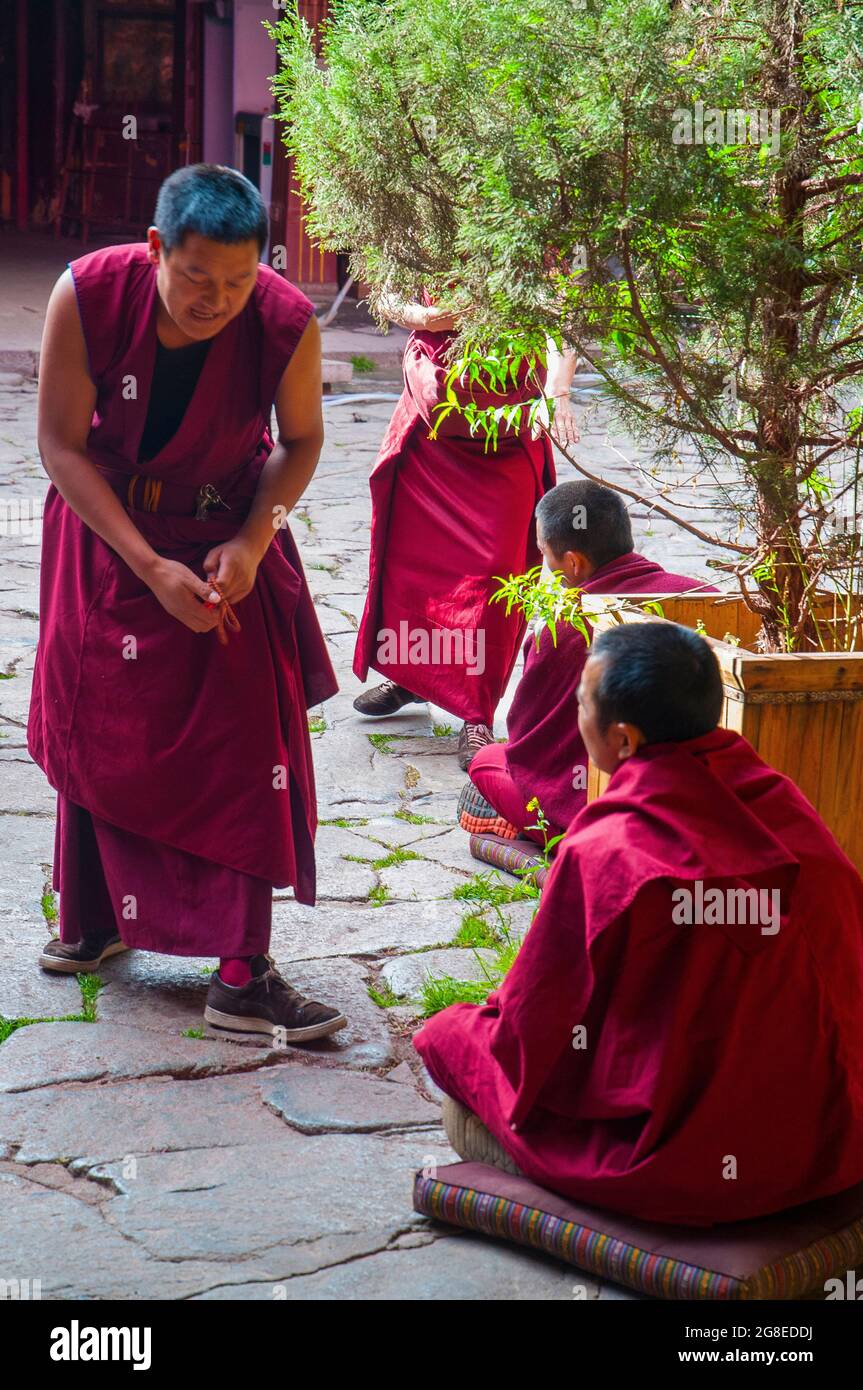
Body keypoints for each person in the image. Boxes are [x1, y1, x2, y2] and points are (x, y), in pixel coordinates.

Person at [30, 163, 347, 1041]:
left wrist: (250, 542)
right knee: (100, 719)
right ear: (155, 248)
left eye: (239, 281)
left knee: (245, 742)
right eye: (197, 277)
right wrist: (145, 567)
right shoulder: (87, 295)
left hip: (223, 535)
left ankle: (241, 972)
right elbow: (60, 447)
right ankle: (94, 921)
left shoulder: (283, 322)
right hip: (107, 531)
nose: (217, 300)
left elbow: (304, 439)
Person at [415, 622, 863, 1224]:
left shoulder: (608, 844)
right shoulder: (781, 796)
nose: (575, 718)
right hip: (843, 1126)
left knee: (451, 1038)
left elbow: (529, 1029)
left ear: (622, 739)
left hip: (717, 1166)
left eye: (579, 706)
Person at [352, 289, 578, 768]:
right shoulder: (415, 217)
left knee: (497, 571)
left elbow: (562, 314)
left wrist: (559, 393)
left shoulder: (529, 222)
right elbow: (386, 295)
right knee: (413, 564)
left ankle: (477, 712)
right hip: (434, 417)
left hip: (509, 416)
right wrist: (429, 316)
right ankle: (414, 675)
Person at [459, 479, 714, 844]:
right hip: (697, 798)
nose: (545, 564)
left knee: (487, 761)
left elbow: (527, 742)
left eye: (544, 553)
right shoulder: (704, 597)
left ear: (574, 562)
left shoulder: (565, 627)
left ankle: (538, 825)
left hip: (603, 808)